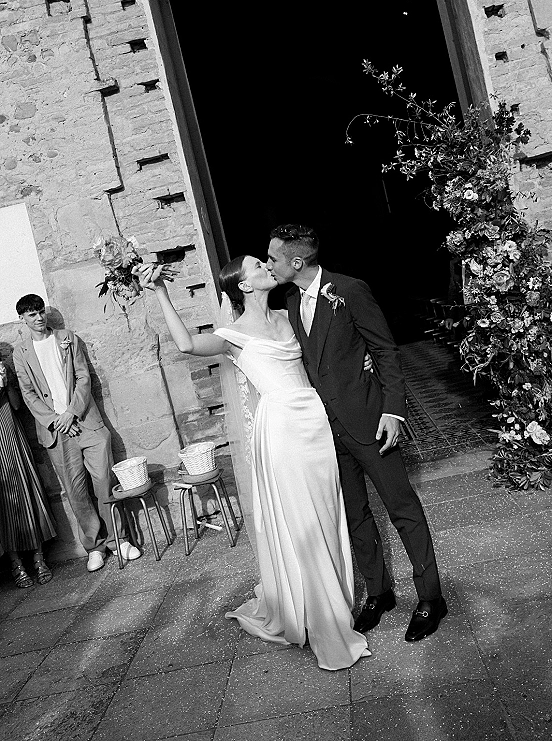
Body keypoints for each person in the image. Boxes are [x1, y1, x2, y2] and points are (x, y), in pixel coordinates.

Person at [139, 257, 370, 671]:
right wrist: (160, 292)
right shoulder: (233, 335)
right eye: (257, 266)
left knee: (326, 509)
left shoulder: (290, 315)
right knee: (303, 520)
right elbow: (187, 345)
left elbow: (327, 353)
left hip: (314, 420)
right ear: (242, 286)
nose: (267, 266)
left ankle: (334, 596)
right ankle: (325, 621)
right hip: (281, 429)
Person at [267, 224, 447, 642]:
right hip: (325, 430)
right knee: (355, 515)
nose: (269, 264)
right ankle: (379, 592)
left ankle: (431, 598)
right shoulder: (291, 300)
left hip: (368, 422)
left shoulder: (349, 290)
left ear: (297, 262)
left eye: (273, 257)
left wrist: (393, 411)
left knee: (402, 509)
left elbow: (384, 349)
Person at [13, 295, 141, 572]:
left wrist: (72, 411)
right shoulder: (20, 352)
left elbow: (84, 377)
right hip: (57, 433)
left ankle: (119, 540)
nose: (38, 318)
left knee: (104, 482)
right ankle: (95, 546)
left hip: (87, 423)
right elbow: (28, 394)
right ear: (22, 319)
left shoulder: (66, 337)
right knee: (76, 492)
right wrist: (57, 420)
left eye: (40, 312)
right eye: (32, 315)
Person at [0, 356, 56, 587]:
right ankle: (16, 563)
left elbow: (15, 404)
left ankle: (38, 557)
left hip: (12, 433)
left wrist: (5, 383)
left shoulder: (2, 366)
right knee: (4, 500)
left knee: (27, 488)